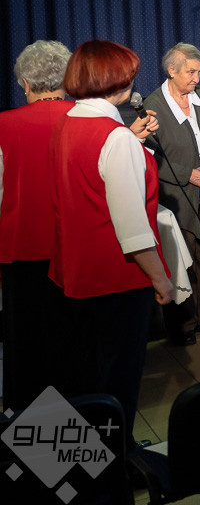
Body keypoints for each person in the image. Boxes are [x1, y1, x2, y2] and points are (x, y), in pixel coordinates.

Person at [48, 40, 174, 431]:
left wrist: (132, 141)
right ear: (117, 80)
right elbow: (133, 230)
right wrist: (162, 280)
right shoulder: (114, 138)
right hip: (116, 279)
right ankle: (116, 456)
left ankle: (80, 460)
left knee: (85, 376)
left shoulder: (67, 121)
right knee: (117, 382)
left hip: (76, 273)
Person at [0, 40, 74, 409]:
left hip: (23, 250)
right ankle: (89, 420)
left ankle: (35, 433)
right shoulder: (90, 118)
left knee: (29, 346)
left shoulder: (4, 125)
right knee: (75, 342)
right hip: (77, 249)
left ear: (26, 83)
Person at [144, 44, 200, 345]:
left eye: (199, 72)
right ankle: (183, 325)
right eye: (191, 72)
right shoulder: (152, 105)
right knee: (182, 264)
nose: (197, 78)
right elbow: (150, 159)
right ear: (172, 70)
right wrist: (187, 174)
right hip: (178, 200)